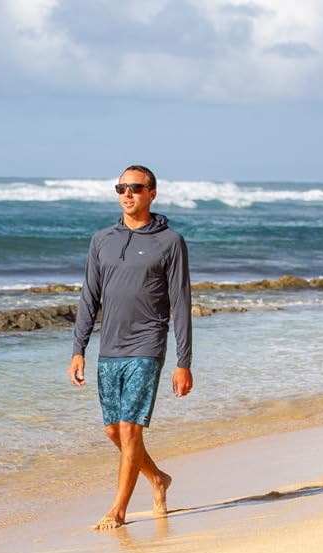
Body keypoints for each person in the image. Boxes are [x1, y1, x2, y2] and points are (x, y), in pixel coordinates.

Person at [68, 164, 193, 531]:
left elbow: (181, 304)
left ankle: (118, 510)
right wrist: (79, 348)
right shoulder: (102, 240)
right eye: (121, 187)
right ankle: (157, 479)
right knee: (113, 431)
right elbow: (89, 297)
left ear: (152, 193)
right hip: (110, 347)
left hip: (147, 344)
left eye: (136, 187)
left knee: (130, 429)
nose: (127, 193)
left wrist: (183, 361)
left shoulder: (169, 242)